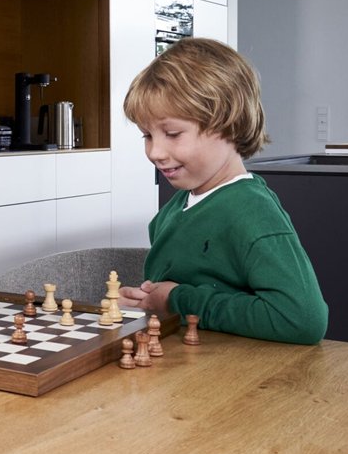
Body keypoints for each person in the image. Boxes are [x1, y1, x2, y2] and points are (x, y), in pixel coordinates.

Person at [120, 36, 328, 344]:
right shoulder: (177, 206)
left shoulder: (252, 212)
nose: (155, 152)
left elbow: (303, 320)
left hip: (238, 370)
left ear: (228, 124)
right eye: (147, 136)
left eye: (172, 133)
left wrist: (178, 301)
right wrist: (147, 301)